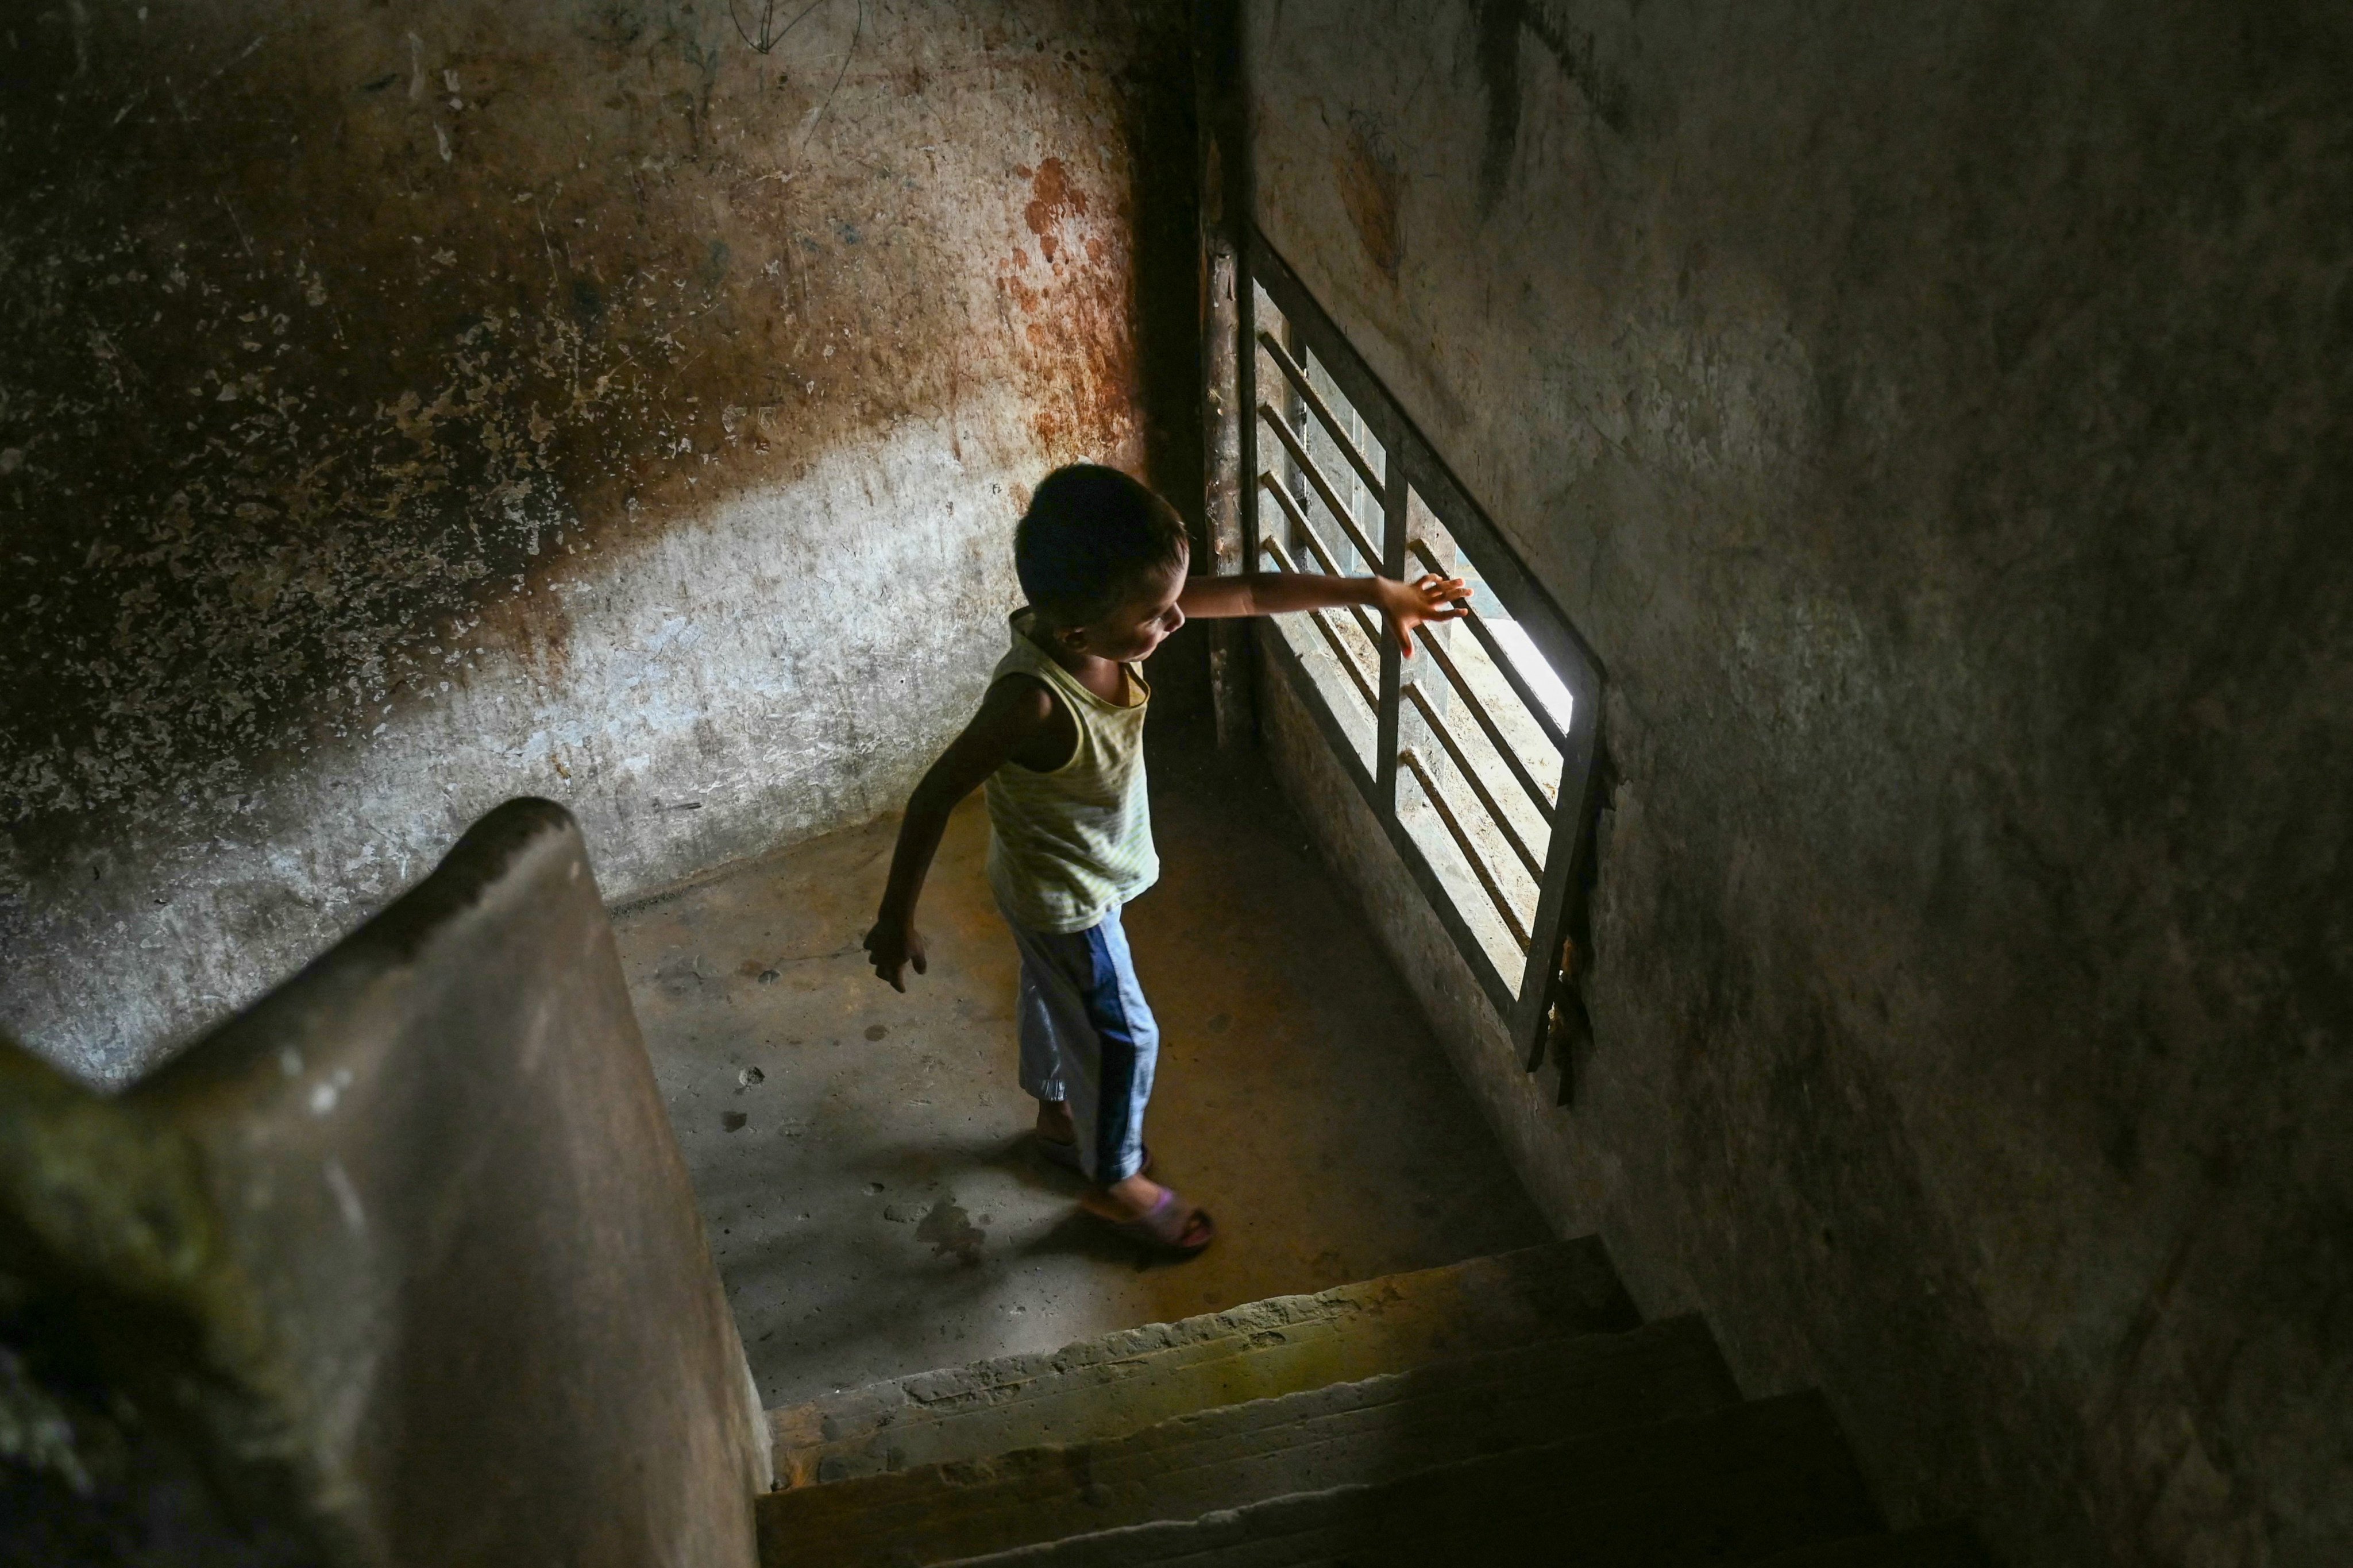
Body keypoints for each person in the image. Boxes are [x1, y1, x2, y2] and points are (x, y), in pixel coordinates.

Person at [860, 464, 1468, 1256]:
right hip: (1067, 897)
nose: (1178, 621)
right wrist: (894, 916)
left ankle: (1056, 1113)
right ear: (1079, 637)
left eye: (1176, 598)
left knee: (1056, 995)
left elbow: (1249, 595)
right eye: (1157, 615)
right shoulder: (1035, 700)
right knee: (1123, 1036)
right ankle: (1113, 1180)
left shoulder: (1109, 616)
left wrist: (1373, 589)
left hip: (1042, 876)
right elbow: (936, 793)